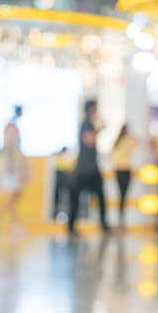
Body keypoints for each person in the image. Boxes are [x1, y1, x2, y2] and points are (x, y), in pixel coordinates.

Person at [69, 99, 109, 235]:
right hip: (83, 169)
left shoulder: (91, 123)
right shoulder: (85, 124)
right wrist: (98, 129)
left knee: (101, 198)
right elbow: (89, 140)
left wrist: (99, 119)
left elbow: (105, 125)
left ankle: (104, 225)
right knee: (76, 199)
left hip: (93, 169)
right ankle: (71, 226)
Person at [0, 106, 27, 233]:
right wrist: (10, 164)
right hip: (10, 162)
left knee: (15, 194)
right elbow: (9, 146)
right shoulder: (11, 127)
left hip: (13, 162)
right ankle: (14, 223)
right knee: (13, 195)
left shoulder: (13, 127)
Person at [110, 124, 139, 228]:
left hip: (123, 170)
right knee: (122, 195)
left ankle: (121, 219)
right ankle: (120, 219)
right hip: (122, 170)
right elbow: (137, 142)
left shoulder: (119, 142)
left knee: (123, 195)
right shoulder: (121, 142)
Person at [52, 147, 75, 217]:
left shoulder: (62, 159)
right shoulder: (58, 159)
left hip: (64, 183)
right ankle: (55, 213)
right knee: (57, 199)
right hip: (59, 183)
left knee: (62, 200)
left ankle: (57, 213)